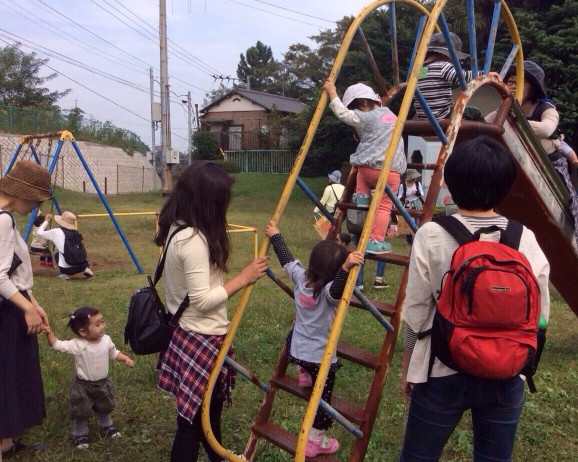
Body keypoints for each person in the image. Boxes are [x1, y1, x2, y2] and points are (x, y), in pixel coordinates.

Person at [399, 136, 550, 461]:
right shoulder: (525, 237)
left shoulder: (431, 234)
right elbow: (541, 314)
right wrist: (524, 366)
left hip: (442, 369)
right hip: (506, 372)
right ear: (505, 187)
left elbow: (416, 311)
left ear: (451, 182)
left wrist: (408, 365)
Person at [154, 161, 268, 462]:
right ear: (207, 200)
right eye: (221, 199)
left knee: (205, 419)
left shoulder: (178, 228)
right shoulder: (193, 241)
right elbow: (202, 300)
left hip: (192, 335)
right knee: (191, 425)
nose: (224, 206)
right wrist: (243, 278)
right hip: (200, 338)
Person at [265, 220, 364, 457]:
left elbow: (286, 259)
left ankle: (303, 373)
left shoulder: (301, 278)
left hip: (297, 351)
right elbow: (338, 288)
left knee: (294, 335)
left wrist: (276, 235)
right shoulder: (329, 293)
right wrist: (346, 267)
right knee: (324, 396)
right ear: (334, 271)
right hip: (320, 358)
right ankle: (315, 440)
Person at [0, 160, 51, 462]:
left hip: (9, 305)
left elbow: (12, 274)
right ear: (23, 193)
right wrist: (27, 308)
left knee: (7, 377)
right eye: (36, 198)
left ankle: (6, 443)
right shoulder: (2, 220)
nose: (36, 205)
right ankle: (0, 445)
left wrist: (34, 303)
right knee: (5, 379)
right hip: (5, 314)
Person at [490, 60, 578, 247]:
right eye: (509, 81)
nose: (511, 86)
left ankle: (577, 235)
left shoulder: (545, 108)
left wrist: (513, 121)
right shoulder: (505, 108)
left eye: (518, 82)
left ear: (532, 88)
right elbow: (488, 122)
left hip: (549, 164)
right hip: (522, 162)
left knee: (568, 202)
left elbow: (547, 129)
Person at [322, 79, 407, 255]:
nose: (357, 114)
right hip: (391, 171)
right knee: (384, 207)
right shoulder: (393, 116)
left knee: (361, 167)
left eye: (357, 109)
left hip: (366, 171)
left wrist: (332, 92)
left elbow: (344, 114)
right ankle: (375, 240)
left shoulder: (368, 116)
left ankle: (362, 196)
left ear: (364, 102)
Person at [43, 306, 134, 449]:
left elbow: (113, 353)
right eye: (97, 324)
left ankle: (106, 424)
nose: (102, 326)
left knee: (105, 404)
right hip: (83, 386)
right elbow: (57, 345)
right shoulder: (78, 345)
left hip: (102, 383)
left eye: (102, 322)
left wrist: (125, 358)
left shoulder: (106, 340)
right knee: (81, 410)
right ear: (83, 332)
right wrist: (49, 333)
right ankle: (80, 433)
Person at [412, 32, 474, 120]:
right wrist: (483, 73)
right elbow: (462, 77)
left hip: (422, 118)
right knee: (474, 112)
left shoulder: (417, 70)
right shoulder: (442, 66)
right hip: (442, 115)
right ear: (449, 55)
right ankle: (489, 133)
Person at [37, 211, 94, 279]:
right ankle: (87, 269)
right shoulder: (76, 232)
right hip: (83, 265)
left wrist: (46, 221)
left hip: (68, 270)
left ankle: (64, 273)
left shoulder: (56, 232)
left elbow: (39, 232)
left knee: (57, 254)